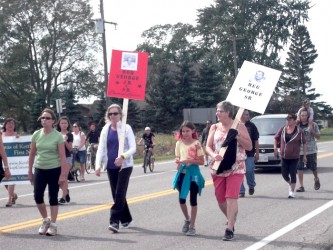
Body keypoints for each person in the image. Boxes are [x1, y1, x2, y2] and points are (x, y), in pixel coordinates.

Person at [205, 101, 252, 241]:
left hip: (236, 166)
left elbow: (249, 147)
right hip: (218, 166)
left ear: (228, 113)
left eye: (220, 111)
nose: (217, 113)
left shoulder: (240, 126)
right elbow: (207, 147)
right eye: (217, 111)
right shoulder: (214, 127)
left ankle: (229, 228)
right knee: (220, 199)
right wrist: (213, 155)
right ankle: (231, 218)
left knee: (231, 197)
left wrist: (237, 136)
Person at [95, 104, 136, 233]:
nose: (113, 116)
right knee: (116, 194)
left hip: (125, 166)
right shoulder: (105, 129)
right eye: (110, 114)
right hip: (111, 166)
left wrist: (123, 156)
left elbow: (133, 148)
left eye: (115, 113)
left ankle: (114, 221)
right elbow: (101, 148)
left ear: (120, 115)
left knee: (119, 193)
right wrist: (98, 165)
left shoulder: (126, 128)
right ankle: (126, 219)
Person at [28, 108, 67, 236]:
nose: (44, 120)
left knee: (53, 197)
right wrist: (30, 170)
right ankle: (45, 220)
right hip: (39, 168)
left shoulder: (58, 136)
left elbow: (62, 156)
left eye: (47, 118)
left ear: (53, 121)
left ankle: (53, 224)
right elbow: (32, 154)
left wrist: (62, 174)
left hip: (54, 169)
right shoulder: (36, 134)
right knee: (37, 196)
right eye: (43, 118)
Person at [172, 121, 205, 236]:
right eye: (183, 131)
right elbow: (177, 156)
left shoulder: (196, 144)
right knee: (181, 200)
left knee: (193, 200)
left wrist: (190, 161)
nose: (185, 133)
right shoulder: (179, 143)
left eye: (187, 131)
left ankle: (192, 226)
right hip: (182, 174)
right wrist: (178, 161)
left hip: (193, 175)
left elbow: (202, 161)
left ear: (193, 131)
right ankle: (187, 219)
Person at [274, 113, 306, 199]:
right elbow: (276, 138)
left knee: (292, 173)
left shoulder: (299, 131)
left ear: (295, 121)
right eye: (287, 120)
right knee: (284, 174)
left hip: (294, 157)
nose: (288, 121)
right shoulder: (283, 129)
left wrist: (305, 155)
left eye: (290, 120)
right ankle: (290, 183)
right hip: (284, 156)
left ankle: (291, 192)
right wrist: (275, 148)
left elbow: (304, 142)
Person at [296, 108, 321, 192]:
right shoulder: (297, 125)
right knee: (299, 168)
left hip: (311, 150)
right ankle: (301, 186)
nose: (303, 117)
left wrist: (311, 129)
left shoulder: (313, 124)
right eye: (302, 115)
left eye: (305, 115)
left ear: (308, 116)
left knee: (313, 167)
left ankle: (316, 178)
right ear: (299, 116)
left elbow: (318, 137)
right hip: (299, 150)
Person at [239, 110, 259, 197]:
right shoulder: (236, 125)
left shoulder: (252, 126)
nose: (248, 116)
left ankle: (251, 186)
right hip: (238, 153)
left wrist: (257, 153)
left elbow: (256, 140)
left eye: (248, 114)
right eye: (246, 114)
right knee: (239, 172)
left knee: (249, 170)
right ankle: (241, 191)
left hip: (249, 153)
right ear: (241, 115)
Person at [56, 116, 73, 205]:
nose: (64, 125)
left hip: (67, 158)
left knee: (64, 177)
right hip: (57, 158)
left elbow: (70, 149)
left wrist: (65, 141)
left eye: (65, 123)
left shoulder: (69, 135)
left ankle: (63, 197)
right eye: (62, 123)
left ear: (68, 124)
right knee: (58, 180)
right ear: (59, 124)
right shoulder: (56, 134)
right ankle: (66, 191)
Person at [2, 118, 19, 207]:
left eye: (12, 123)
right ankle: (13, 195)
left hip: (14, 161)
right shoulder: (2, 136)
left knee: (11, 179)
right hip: (3, 161)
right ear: (5, 125)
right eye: (8, 123)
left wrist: (19, 139)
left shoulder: (17, 136)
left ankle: (9, 199)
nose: (10, 125)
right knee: (5, 181)